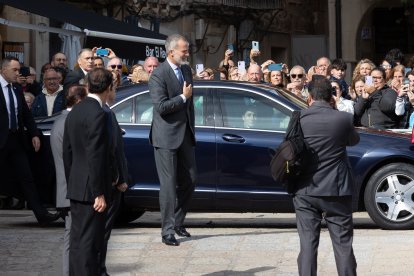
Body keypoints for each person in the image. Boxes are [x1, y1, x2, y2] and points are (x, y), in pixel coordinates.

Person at [293, 76, 359, 276]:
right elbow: (353, 140)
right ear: (331, 96)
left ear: (309, 96)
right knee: (342, 243)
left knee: (307, 244)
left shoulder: (299, 118)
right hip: (336, 189)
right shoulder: (343, 118)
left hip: (305, 189)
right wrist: (336, 109)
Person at [63, 68, 113, 275]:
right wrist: (98, 192)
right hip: (91, 190)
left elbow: (67, 151)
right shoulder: (97, 113)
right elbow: (95, 154)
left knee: (78, 241)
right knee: (90, 244)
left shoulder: (76, 109)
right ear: (109, 88)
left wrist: (72, 179)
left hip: (77, 184)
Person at [148, 34, 197, 246]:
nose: (187, 54)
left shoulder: (186, 70)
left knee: (191, 179)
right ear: (171, 52)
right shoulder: (158, 75)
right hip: (165, 136)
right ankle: (167, 231)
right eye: (184, 50)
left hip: (185, 134)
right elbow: (161, 107)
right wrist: (183, 97)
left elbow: (191, 105)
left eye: (187, 50)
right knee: (168, 185)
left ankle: (178, 221)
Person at [0, 56, 61, 225]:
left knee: (27, 177)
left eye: (19, 69)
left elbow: (26, 115)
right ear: (3, 70)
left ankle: (41, 215)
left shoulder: (17, 88)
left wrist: (34, 134)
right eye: (15, 70)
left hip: (15, 139)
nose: (18, 73)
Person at [50, 84, 87, 276]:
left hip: (70, 190)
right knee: (72, 237)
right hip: (72, 191)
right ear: (79, 101)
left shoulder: (64, 120)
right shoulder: (68, 122)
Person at [100, 73, 129, 276]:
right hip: (107, 184)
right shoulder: (104, 113)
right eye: (114, 88)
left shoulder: (107, 110)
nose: (116, 92)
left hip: (111, 182)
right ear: (108, 88)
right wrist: (118, 179)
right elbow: (110, 151)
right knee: (101, 233)